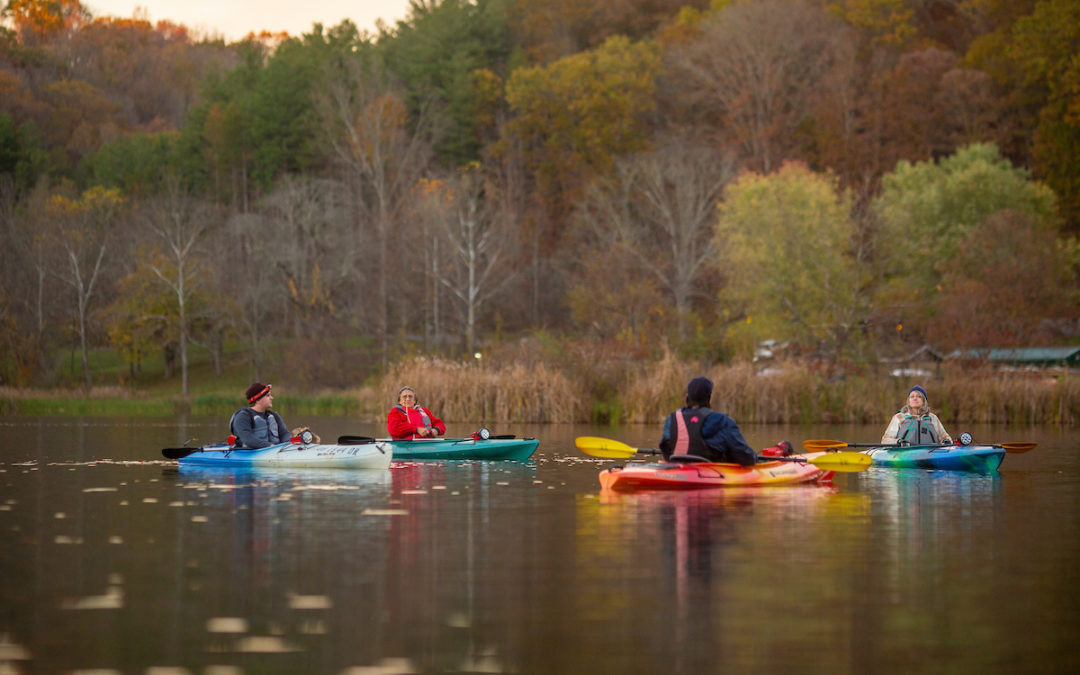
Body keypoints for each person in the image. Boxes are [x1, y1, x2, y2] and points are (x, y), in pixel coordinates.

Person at [658, 376, 756, 465]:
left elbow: (665, 448)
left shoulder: (672, 419)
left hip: (677, 468)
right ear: (709, 398)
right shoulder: (723, 420)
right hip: (712, 472)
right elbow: (745, 457)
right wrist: (754, 459)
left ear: (687, 396)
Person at [881, 384, 952, 445]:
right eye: (912, 396)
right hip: (904, 453)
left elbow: (944, 436)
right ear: (909, 401)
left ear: (924, 401)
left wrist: (946, 441)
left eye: (919, 396)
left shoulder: (932, 418)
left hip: (930, 452)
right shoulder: (899, 417)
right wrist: (898, 441)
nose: (915, 398)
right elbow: (885, 440)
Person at [228, 382, 289, 448]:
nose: (272, 398)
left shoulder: (274, 415)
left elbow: (284, 434)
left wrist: (289, 443)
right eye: (268, 396)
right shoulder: (243, 417)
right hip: (250, 453)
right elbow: (248, 439)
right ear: (257, 400)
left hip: (275, 450)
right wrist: (270, 446)